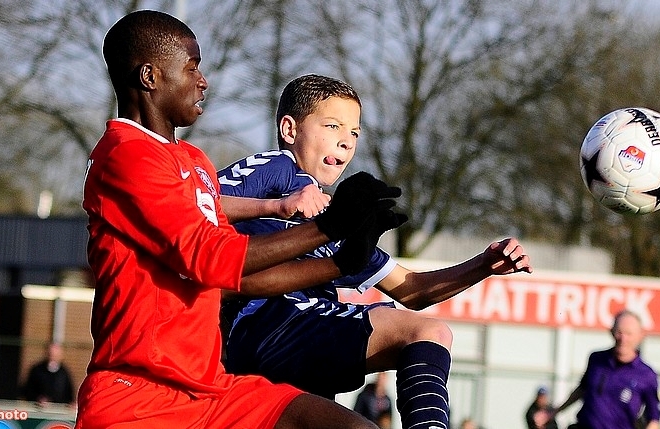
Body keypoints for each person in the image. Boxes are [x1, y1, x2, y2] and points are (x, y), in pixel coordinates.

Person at [76, 10, 405, 429]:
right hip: (138, 397)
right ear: (150, 76)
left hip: (210, 390)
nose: (203, 81)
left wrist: (341, 263)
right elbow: (210, 257)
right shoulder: (126, 154)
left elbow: (237, 280)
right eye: (191, 67)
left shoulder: (193, 160)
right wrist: (327, 227)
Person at [217, 73, 532, 429]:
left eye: (354, 133)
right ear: (290, 130)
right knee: (427, 332)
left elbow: (412, 290)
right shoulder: (279, 169)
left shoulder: (336, 217)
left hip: (296, 356)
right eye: (333, 126)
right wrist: (277, 206)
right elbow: (192, 202)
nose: (346, 141)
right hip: (265, 324)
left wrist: (483, 265)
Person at [545, 309, 660, 429]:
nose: (623, 338)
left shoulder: (646, 375)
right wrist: (555, 412)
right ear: (612, 332)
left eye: (628, 334)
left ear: (640, 336)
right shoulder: (596, 360)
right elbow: (582, 389)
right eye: (619, 332)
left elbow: (654, 419)